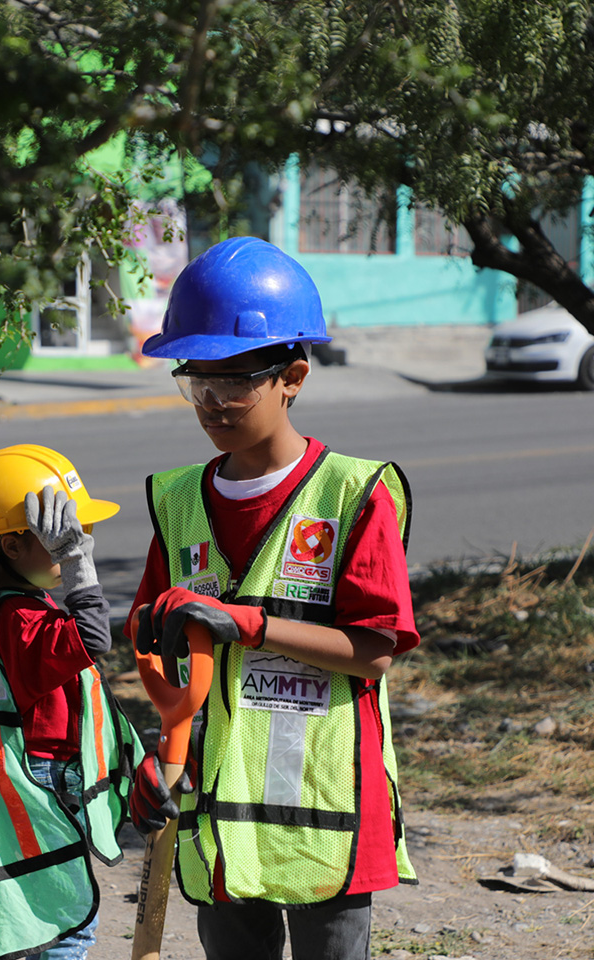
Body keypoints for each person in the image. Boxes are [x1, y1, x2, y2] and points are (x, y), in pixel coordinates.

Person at [127, 237, 420, 960]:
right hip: (216, 819)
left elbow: (375, 654)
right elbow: (158, 649)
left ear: (293, 377)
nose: (212, 402)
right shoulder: (178, 500)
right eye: (196, 379)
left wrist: (250, 625)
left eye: (237, 381)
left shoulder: (353, 494)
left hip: (326, 818)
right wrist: (159, 761)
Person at [0, 444, 143, 960]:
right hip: (49, 776)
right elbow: (95, 636)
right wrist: (78, 564)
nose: (73, 545)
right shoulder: (17, 617)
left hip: (54, 769)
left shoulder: (24, 604)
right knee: (67, 920)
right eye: (58, 540)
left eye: (76, 536)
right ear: (13, 548)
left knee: (60, 913)